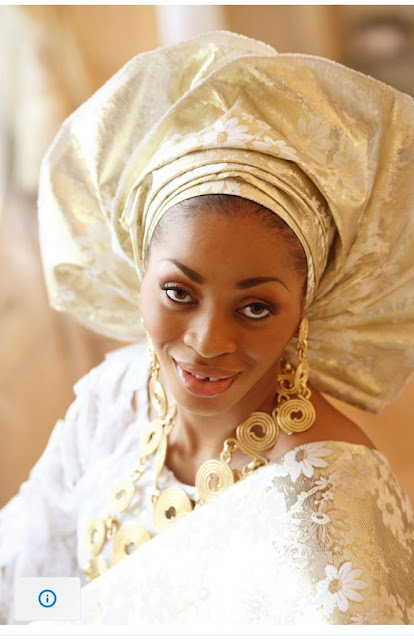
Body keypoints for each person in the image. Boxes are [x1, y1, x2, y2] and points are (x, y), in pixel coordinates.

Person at [1, 30, 414, 626]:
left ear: (307, 305)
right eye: (178, 293)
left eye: (255, 308)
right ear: (138, 273)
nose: (206, 342)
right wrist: (77, 617)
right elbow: (34, 585)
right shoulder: (116, 400)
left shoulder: (326, 503)